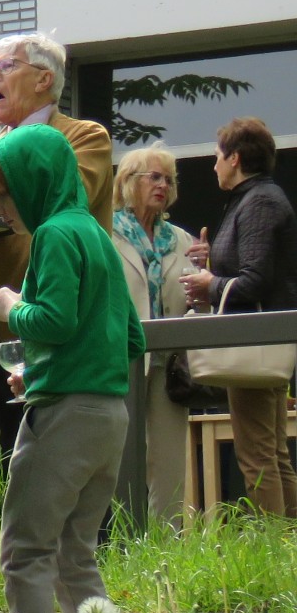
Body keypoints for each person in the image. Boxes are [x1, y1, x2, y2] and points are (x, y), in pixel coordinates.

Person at [0, 127, 144, 613]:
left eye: (4, 193)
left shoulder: (52, 234)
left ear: (33, 183)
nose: (2, 209)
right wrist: (44, 370)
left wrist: (9, 309)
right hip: (109, 415)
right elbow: (132, 337)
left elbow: (54, 319)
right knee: (76, 551)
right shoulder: (98, 234)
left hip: (64, 417)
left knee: (26, 550)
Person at [0, 33, 112, 454]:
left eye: (6, 65)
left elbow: (53, 199)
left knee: (57, 462)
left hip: (54, 327)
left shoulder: (83, 137)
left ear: (44, 79)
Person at [181, 116, 297, 516]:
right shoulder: (256, 197)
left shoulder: (259, 201)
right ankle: (286, 552)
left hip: (255, 340)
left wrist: (208, 284)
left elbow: (255, 280)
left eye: (216, 156)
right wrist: (209, 262)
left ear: (234, 158)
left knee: (258, 456)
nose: (212, 165)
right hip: (261, 339)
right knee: (273, 453)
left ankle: (274, 557)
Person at [110, 146, 195, 526]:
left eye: (169, 179)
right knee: (120, 454)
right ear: (129, 183)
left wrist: (203, 275)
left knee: (169, 459)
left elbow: (196, 304)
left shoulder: (183, 240)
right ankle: (123, 543)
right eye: (154, 177)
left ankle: (167, 547)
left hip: (169, 362)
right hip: (122, 358)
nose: (163, 185)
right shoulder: (106, 233)